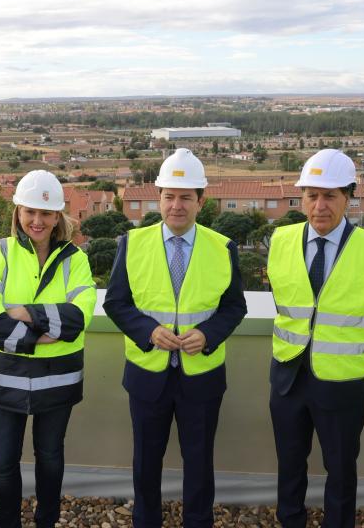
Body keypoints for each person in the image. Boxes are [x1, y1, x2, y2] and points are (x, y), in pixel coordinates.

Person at [103, 148, 247, 528]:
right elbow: (116, 303)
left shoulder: (223, 248)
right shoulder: (131, 244)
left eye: (186, 197)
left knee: (199, 465)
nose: (176, 205)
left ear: (202, 201)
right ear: (159, 197)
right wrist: (148, 331)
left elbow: (234, 307)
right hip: (147, 377)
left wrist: (208, 334)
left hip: (201, 378)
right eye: (169, 196)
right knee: (145, 464)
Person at [266, 148, 364, 528]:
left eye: (330, 196)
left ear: (349, 197)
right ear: (302, 197)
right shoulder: (281, 240)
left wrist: (345, 351)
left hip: (344, 382)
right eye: (312, 195)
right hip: (288, 378)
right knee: (289, 465)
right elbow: (286, 302)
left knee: (340, 470)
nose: (319, 206)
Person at [0, 170, 96, 528]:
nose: (37, 221)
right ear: (18, 212)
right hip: (5, 381)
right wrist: (44, 333)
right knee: (2, 464)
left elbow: (78, 318)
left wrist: (24, 313)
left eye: (46, 213)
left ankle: (46, 522)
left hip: (58, 381)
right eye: (30, 212)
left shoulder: (76, 259)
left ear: (57, 217)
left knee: (51, 458)